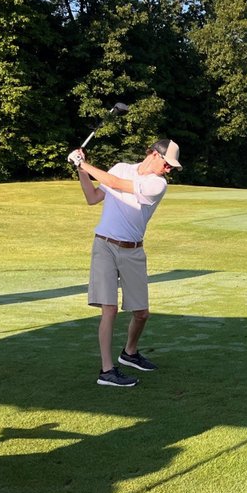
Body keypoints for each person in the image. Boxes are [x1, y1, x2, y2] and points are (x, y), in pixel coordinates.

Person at [66, 138, 181, 387]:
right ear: (153, 154)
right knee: (109, 309)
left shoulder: (157, 184)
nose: (169, 169)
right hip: (104, 245)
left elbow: (115, 184)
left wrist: (84, 163)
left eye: (172, 166)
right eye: (167, 163)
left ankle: (129, 353)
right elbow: (93, 197)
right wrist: (80, 169)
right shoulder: (120, 166)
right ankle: (107, 371)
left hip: (133, 251)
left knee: (142, 313)